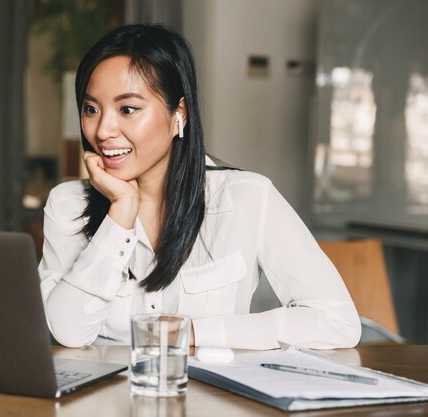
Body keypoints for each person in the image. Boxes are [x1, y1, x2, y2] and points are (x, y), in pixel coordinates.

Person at [38, 24, 361, 350]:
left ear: (179, 114)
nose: (104, 130)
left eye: (128, 109)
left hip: (210, 398)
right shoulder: (68, 205)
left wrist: (192, 334)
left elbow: (337, 322)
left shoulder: (246, 197)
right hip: (104, 400)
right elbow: (68, 332)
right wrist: (120, 212)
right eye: (91, 109)